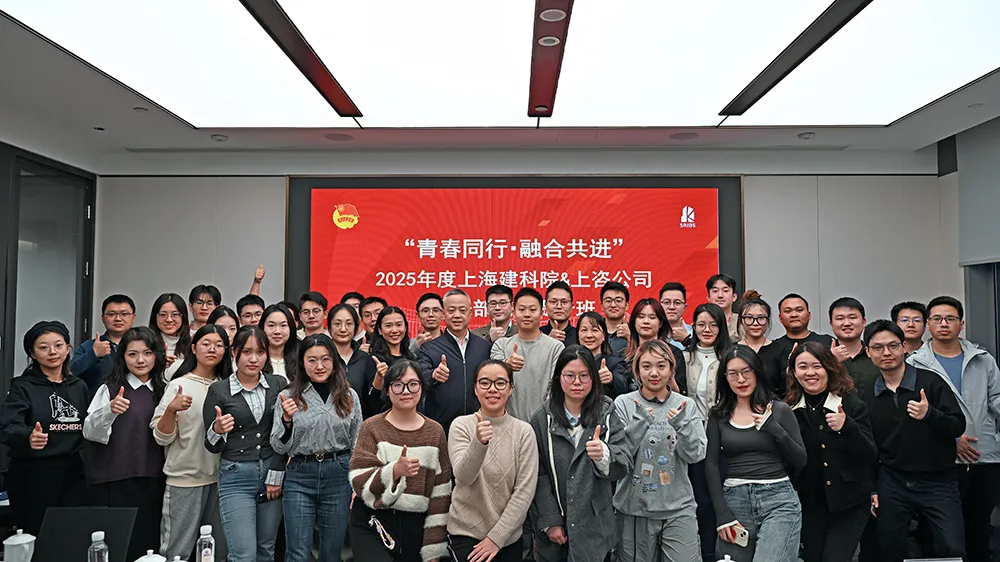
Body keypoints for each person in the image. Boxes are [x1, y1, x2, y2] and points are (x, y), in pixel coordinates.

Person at [862, 320, 966, 562]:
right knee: (889, 546)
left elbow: (957, 425)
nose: (886, 353)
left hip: (938, 479)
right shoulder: (868, 393)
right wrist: (873, 488)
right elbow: (869, 446)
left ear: (904, 347)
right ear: (868, 352)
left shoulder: (930, 382)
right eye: (877, 348)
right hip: (893, 479)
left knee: (952, 546)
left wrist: (930, 415)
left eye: (892, 346)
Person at [907, 296, 1000, 562]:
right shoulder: (915, 363)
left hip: (984, 455)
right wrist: (952, 439)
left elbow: (996, 399)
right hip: (940, 459)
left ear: (962, 324)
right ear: (928, 324)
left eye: (951, 318)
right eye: (937, 319)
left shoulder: (982, 359)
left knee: (979, 529)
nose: (944, 324)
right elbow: (914, 414)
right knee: (939, 533)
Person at [707, 346, 806, 562]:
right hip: (735, 499)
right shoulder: (718, 415)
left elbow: (800, 459)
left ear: (757, 371)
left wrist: (775, 429)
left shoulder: (779, 410)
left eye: (746, 371)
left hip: (778, 499)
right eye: (733, 373)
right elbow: (711, 464)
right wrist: (721, 514)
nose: (741, 379)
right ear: (725, 378)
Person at [530, 345, 628, 562]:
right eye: (570, 376)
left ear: (593, 378)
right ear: (558, 378)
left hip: (596, 526)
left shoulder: (606, 413)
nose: (577, 382)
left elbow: (623, 464)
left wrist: (603, 455)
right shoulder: (542, 419)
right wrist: (550, 519)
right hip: (556, 528)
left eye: (584, 376)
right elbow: (538, 474)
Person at [348, 360, 453, 562]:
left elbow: (441, 493)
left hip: (415, 525)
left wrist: (433, 551)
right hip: (373, 521)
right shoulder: (371, 427)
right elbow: (359, 480)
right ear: (387, 390)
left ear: (422, 388)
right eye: (398, 384)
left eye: (413, 384)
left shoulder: (435, 432)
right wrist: (394, 472)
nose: (406, 391)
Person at [271, 334, 362, 562]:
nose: (319, 366)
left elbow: (357, 442)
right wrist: (287, 421)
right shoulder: (288, 396)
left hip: (338, 473)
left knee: (332, 551)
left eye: (325, 359)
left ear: (334, 361)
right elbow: (278, 446)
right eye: (312, 360)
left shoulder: (349, 396)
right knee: (297, 552)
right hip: (300, 473)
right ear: (302, 363)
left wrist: (355, 482)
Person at [614, 340, 707, 562]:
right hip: (634, 509)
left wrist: (683, 426)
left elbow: (696, 455)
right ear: (637, 370)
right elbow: (619, 457)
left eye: (661, 366)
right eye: (646, 366)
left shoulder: (686, 405)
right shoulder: (623, 403)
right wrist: (639, 423)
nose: (654, 373)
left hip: (678, 508)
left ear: (671, 369)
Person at [786, 342, 876, 562]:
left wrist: (847, 427)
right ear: (794, 373)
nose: (810, 373)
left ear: (829, 368)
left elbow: (870, 454)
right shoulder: (788, 409)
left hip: (849, 503)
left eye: (817, 366)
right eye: (803, 367)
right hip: (809, 503)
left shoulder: (851, 405)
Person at [84, 326, 167, 561]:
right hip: (113, 480)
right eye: (132, 354)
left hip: (152, 479)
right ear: (122, 357)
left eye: (147, 353)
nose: (140, 360)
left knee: (148, 547)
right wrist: (109, 411)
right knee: (116, 548)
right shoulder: (110, 389)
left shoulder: (163, 390)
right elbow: (90, 432)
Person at [203, 326, 286, 562]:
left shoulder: (278, 385)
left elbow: (286, 434)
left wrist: (276, 474)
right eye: (247, 352)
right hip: (235, 475)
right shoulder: (219, 390)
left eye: (260, 352)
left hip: (271, 472)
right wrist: (217, 430)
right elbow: (211, 445)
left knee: (266, 551)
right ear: (234, 352)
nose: (253, 359)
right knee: (243, 554)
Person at [151, 325, 232, 560]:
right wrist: (171, 410)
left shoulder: (228, 386)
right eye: (206, 344)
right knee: (178, 552)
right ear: (194, 348)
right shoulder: (179, 385)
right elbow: (160, 436)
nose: (212, 349)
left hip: (222, 481)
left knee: (216, 553)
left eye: (219, 345)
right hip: (184, 481)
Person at [0, 321, 89, 535]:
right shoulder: (22, 387)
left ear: (68, 349)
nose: (52, 352)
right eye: (43, 347)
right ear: (32, 353)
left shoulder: (79, 386)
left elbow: (89, 425)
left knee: (71, 536)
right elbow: (7, 425)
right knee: (37, 537)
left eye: (58, 345)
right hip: (33, 475)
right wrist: (28, 436)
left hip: (72, 474)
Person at [446, 360, 538, 562]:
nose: (493, 389)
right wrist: (479, 443)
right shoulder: (461, 425)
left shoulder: (524, 432)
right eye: (485, 383)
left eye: (500, 383)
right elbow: (463, 477)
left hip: (508, 538)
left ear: (510, 389)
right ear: (475, 388)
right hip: (466, 534)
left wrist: (497, 538)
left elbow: (524, 491)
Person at [681, 303, 731, 562]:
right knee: (699, 499)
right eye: (701, 324)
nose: (707, 329)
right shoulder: (684, 357)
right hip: (693, 438)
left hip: (724, 438)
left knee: (720, 498)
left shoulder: (731, 357)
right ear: (693, 327)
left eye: (713, 324)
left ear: (722, 327)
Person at [419, 289, 492, 432]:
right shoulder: (429, 348)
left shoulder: (484, 346)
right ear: (443, 314)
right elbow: (420, 376)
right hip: (441, 428)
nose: (457, 315)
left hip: (478, 425)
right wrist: (434, 375)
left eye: (462, 310)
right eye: (451, 310)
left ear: (470, 313)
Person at [491, 288, 565, 422]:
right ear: (513, 312)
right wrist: (506, 365)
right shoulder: (501, 345)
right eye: (521, 309)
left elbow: (556, 388)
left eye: (532, 310)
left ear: (542, 313)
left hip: (545, 423)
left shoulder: (556, 347)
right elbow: (493, 382)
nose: (527, 314)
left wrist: (544, 421)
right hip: (508, 424)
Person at [71, 294, 137, 398]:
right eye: (111, 314)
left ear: (133, 317)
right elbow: (70, 373)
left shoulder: (144, 346)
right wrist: (93, 355)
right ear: (102, 318)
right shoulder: (89, 346)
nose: (118, 319)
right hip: (97, 405)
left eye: (124, 314)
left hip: (136, 403)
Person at [328, 304, 380, 418]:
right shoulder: (323, 358)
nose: (343, 329)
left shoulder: (366, 359)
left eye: (349, 324)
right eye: (337, 324)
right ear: (329, 327)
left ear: (356, 328)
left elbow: (372, 403)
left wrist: (378, 382)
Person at [623, 299, 686, 392]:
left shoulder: (674, 353)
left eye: (652, 317)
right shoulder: (624, 354)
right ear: (634, 322)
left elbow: (681, 393)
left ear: (660, 323)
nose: (646, 321)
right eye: (641, 317)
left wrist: (669, 378)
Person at [771, 294, 834, 379]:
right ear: (780, 318)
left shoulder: (827, 341)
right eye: (788, 311)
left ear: (809, 315)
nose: (794, 315)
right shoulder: (774, 347)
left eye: (799, 310)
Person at [828, 297, 880, 397]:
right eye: (840, 319)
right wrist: (831, 361)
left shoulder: (877, 354)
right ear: (831, 324)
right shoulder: (822, 356)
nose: (847, 323)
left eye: (852, 318)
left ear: (863, 322)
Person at [370, 306, 417, 416]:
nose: (394, 330)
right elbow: (371, 404)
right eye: (388, 326)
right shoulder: (373, 360)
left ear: (405, 327)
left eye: (399, 325)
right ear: (380, 330)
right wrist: (378, 379)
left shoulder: (412, 358)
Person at [735, 291, 783, 396]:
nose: (755, 323)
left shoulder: (780, 349)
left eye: (761, 318)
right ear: (741, 321)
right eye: (749, 318)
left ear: (768, 320)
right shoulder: (732, 350)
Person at [576, 312, 633, 398]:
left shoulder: (615, 363)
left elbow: (623, 385)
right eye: (584, 330)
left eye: (595, 330)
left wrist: (611, 379)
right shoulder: (571, 361)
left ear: (604, 335)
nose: (589, 335)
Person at [150, 293, 192, 381]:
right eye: (163, 314)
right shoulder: (146, 343)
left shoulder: (192, 345)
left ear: (183, 317)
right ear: (155, 317)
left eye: (175, 314)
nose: (169, 319)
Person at [259, 303, 298, 383]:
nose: (277, 331)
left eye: (283, 325)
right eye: (271, 325)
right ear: (262, 328)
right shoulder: (255, 360)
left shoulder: (301, 359)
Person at [540, 281, 578, 346]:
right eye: (553, 302)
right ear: (546, 306)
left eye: (564, 302)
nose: (559, 306)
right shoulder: (537, 335)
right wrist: (547, 341)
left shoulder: (580, 336)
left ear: (571, 306)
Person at [706, 274, 740, 343]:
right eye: (715, 291)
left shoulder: (742, 321)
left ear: (734, 297)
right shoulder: (701, 321)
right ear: (708, 297)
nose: (720, 295)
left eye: (725, 291)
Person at [600, 281, 631, 357]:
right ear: (602, 306)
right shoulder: (595, 329)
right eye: (608, 301)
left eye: (618, 301)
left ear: (626, 305)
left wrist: (630, 337)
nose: (613, 305)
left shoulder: (634, 331)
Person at [659, 282, 692, 349]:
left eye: (677, 302)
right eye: (666, 302)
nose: (671, 307)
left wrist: (686, 340)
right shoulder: (651, 332)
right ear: (659, 305)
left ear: (685, 307)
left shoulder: (695, 333)